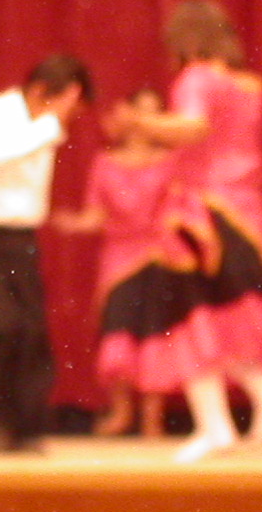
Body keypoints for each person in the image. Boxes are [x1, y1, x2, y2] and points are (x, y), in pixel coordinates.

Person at [121, 0, 262, 462]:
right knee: (216, 316)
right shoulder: (249, 85)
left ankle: (218, 425)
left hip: (204, 210)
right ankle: (261, 390)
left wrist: (142, 122)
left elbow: (194, 127)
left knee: (186, 316)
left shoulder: (197, 78)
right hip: (244, 210)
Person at [0, 55, 91, 455]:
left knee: (32, 331)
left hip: (19, 237)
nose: (67, 119)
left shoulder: (44, 127)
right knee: (4, 325)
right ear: (41, 91)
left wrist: (51, 122)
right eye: (66, 106)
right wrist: (51, 122)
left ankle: (26, 429)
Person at [53, 86, 178, 438]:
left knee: (156, 332)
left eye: (156, 111)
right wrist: (74, 223)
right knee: (119, 330)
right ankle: (122, 412)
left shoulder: (171, 161)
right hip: (119, 259)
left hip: (160, 255)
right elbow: (95, 215)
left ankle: (153, 419)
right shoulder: (104, 163)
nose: (148, 119)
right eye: (142, 110)